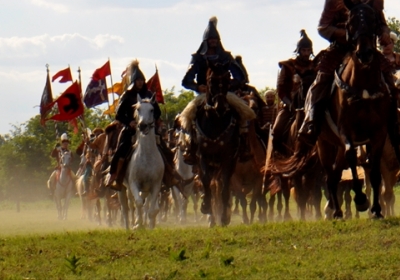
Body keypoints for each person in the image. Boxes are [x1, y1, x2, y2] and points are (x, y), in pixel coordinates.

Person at [299, 0, 400, 147]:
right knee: (321, 81)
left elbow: (381, 25)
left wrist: (385, 35)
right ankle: (311, 122)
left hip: (367, 49)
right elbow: (323, 28)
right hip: (340, 50)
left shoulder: (375, 0)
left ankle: (395, 125)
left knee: (390, 81)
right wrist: (347, 35)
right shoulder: (334, 0)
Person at [179, 17, 257, 163]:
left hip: (225, 93)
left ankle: (243, 147)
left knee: (244, 113)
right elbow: (186, 81)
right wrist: (197, 87)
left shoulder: (226, 56)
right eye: (210, 38)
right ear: (205, 40)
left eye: (215, 38)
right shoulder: (198, 58)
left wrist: (229, 85)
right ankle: (191, 148)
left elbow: (241, 77)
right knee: (188, 116)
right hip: (204, 95)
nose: (213, 41)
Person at [104, 60, 181, 190]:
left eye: (141, 80)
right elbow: (119, 114)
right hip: (131, 130)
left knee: (164, 149)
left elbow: (157, 111)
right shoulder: (127, 95)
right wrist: (129, 122)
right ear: (134, 81)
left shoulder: (149, 94)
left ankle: (169, 175)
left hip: (149, 130)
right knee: (121, 151)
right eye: (138, 80)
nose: (140, 82)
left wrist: (152, 120)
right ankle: (115, 177)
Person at [273, 30, 317, 137]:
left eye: (308, 50)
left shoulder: (315, 67)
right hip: (291, 105)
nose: (306, 54)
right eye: (304, 50)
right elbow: (281, 89)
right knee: (277, 130)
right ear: (299, 51)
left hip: (312, 105)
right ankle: (279, 153)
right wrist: (289, 104)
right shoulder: (288, 66)